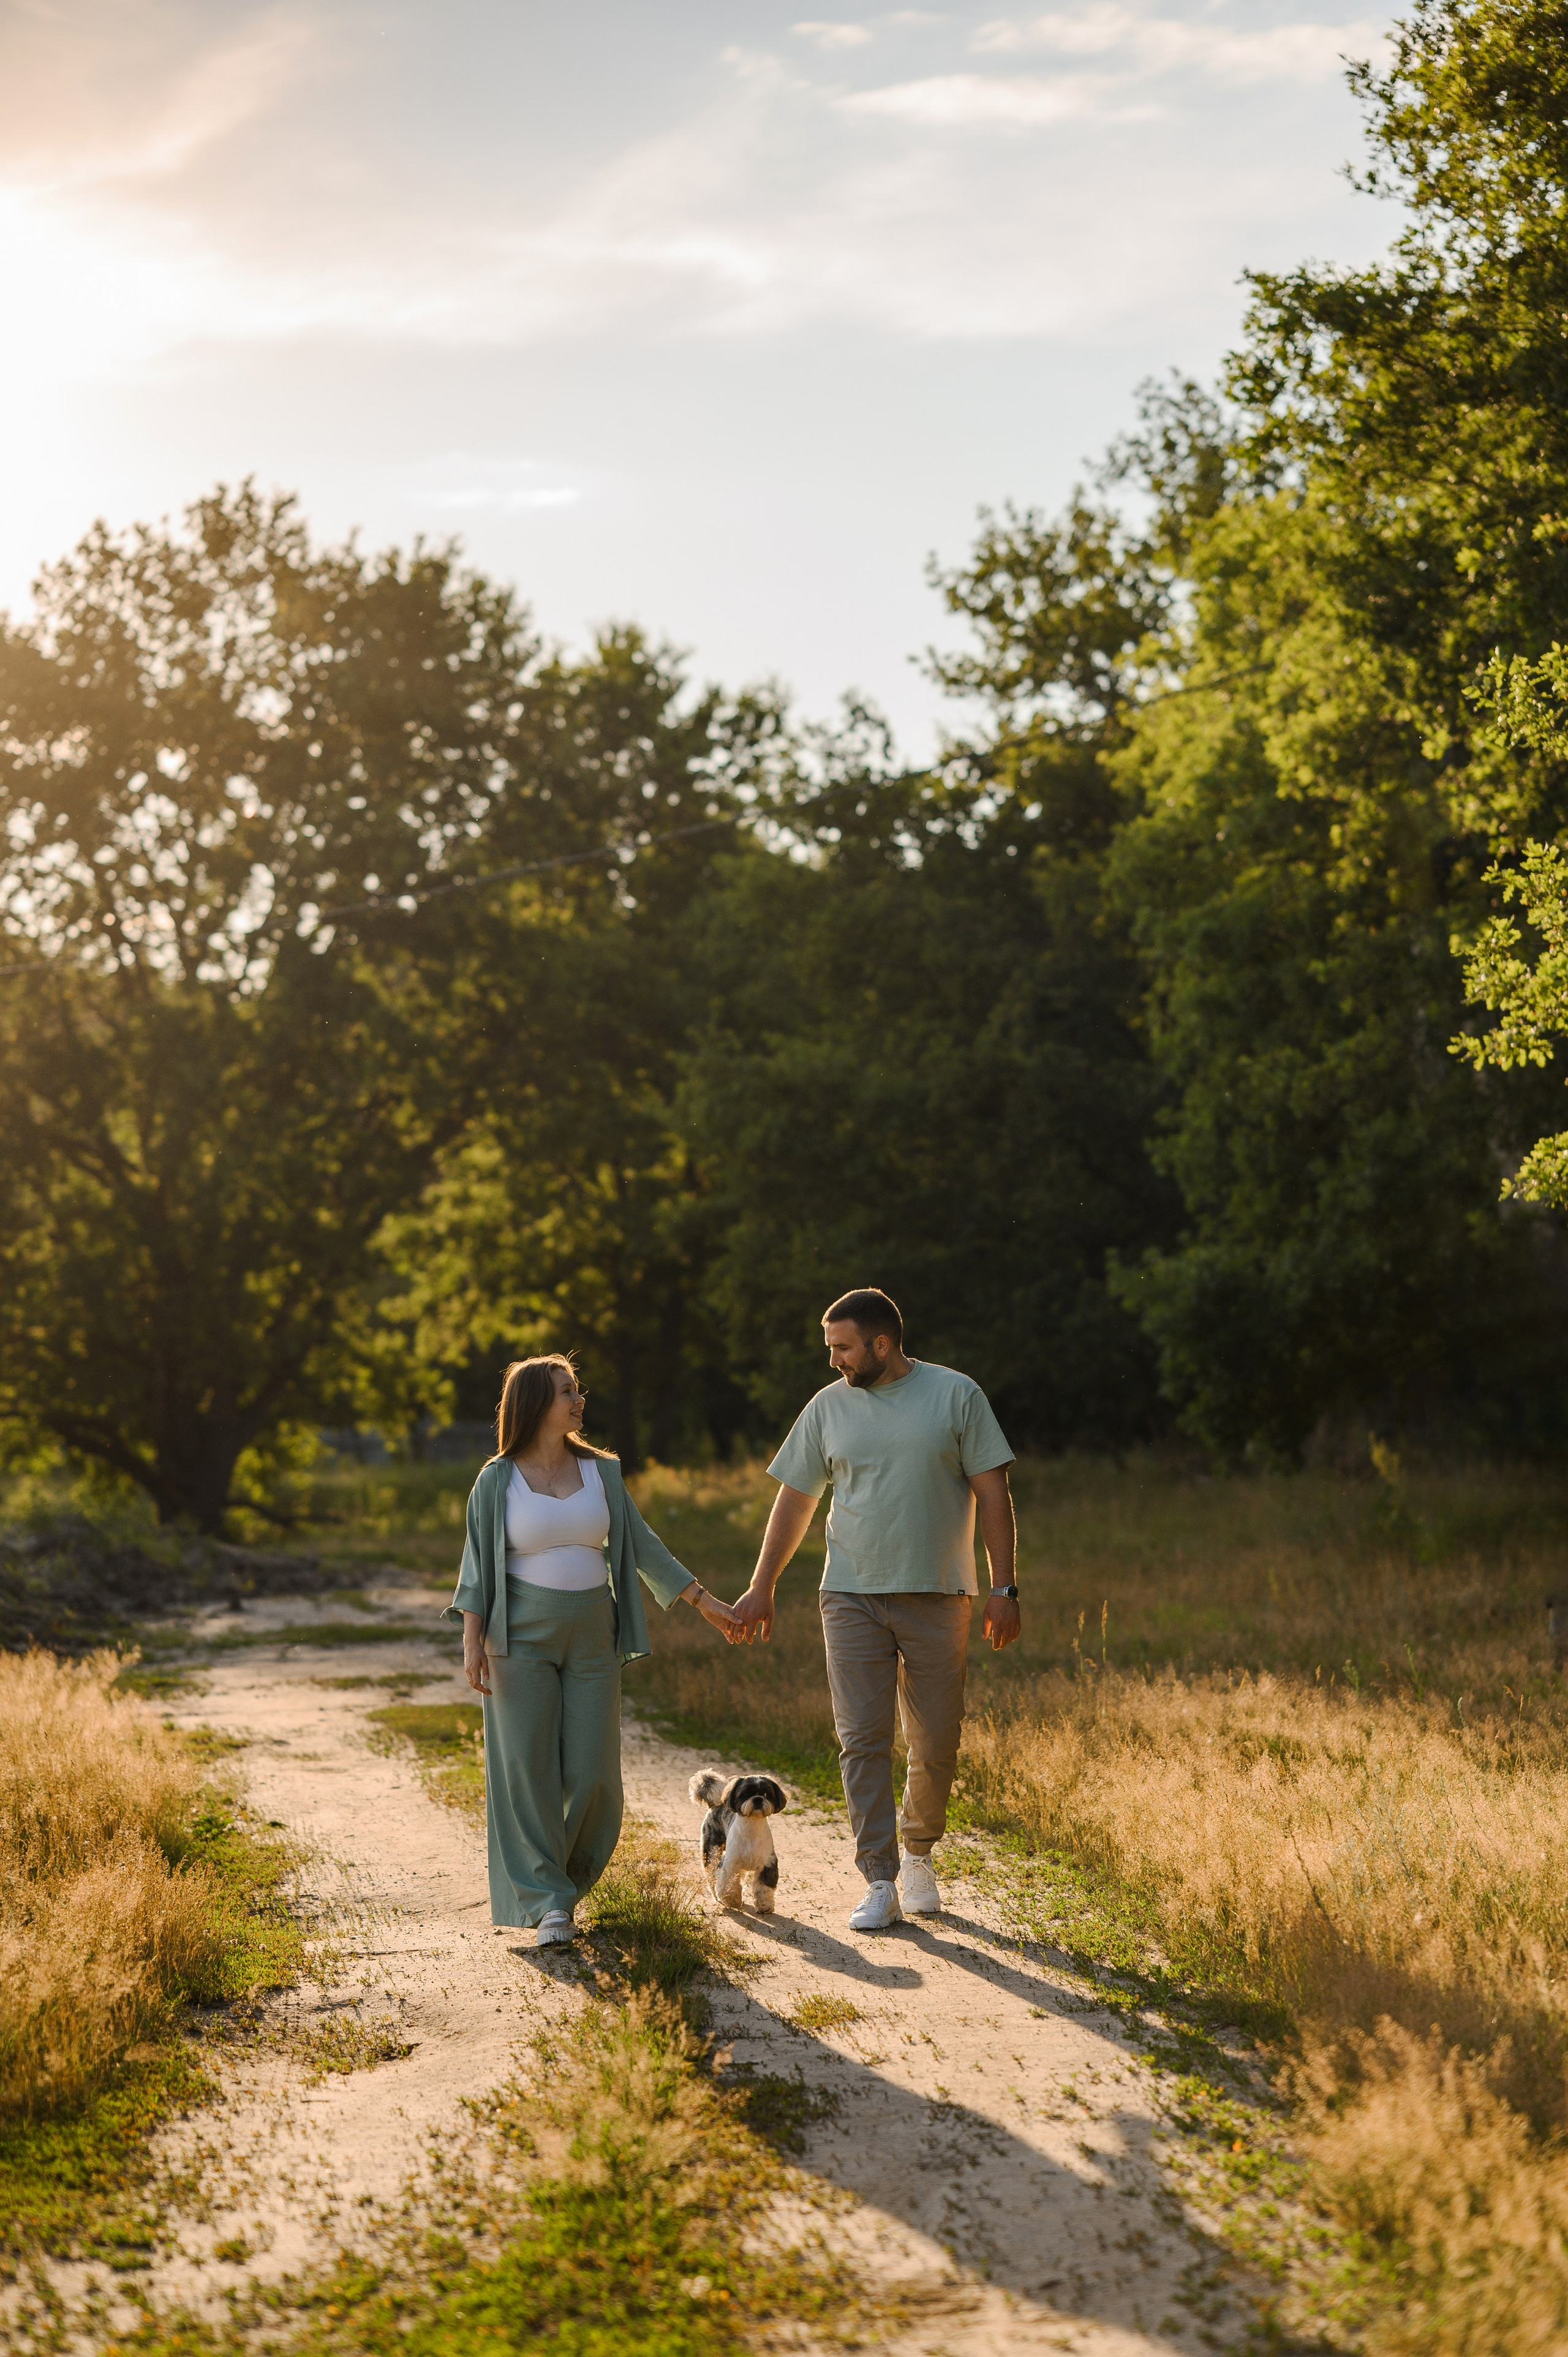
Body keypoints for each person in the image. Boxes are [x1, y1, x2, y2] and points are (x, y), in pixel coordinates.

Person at [728, 1289, 1020, 1933]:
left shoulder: (955, 1395)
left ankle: (918, 1854)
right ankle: (880, 1877)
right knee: (862, 1738)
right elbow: (795, 1499)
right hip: (850, 1594)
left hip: (939, 1593)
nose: (832, 1359)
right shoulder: (828, 1406)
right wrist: (762, 1585)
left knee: (935, 1738)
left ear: (881, 1344)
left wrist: (1005, 1588)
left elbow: (993, 1491)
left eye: (842, 1346)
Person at [444, 1354, 737, 1946]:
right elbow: (477, 1565)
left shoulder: (602, 1472)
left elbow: (644, 1546)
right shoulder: (496, 1479)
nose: (578, 1400)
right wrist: (472, 1641)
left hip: (593, 1633)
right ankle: (549, 1900)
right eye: (564, 1392)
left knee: (593, 1771)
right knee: (527, 1769)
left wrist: (706, 1603)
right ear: (534, 1404)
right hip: (518, 1634)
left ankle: (568, 1883)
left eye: (577, 1390)